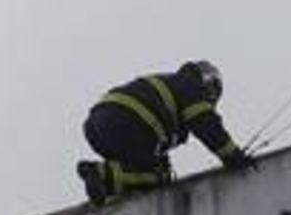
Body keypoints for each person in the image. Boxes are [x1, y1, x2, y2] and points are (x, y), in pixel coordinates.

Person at [77, 60, 254, 205]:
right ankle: (101, 173)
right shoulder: (190, 86)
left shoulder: (171, 83)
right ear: (208, 82)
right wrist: (232, 156)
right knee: (160, 175)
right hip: (130, 122)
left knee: (145, 171)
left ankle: (106, 183)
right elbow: (206, 123)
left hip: (98, 126)